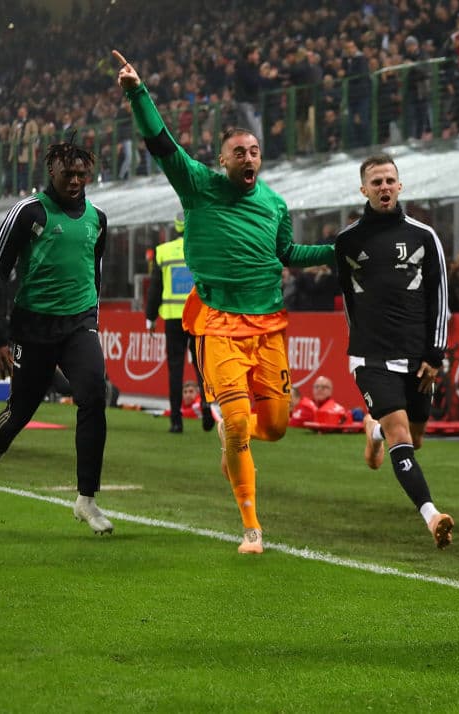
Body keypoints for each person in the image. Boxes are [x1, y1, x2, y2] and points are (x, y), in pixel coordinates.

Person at [115, 50, 335, 555]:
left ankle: (234, 443)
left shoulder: (276, 204)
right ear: (223, 159)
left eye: (255, 151)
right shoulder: (199, 186)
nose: (250, 158)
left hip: (268, 326)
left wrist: (338, 251)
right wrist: (137, 92)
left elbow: (288, 253)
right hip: (215, 323)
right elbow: (162, 144)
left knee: (275, 428)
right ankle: (252, 527)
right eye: (240, 152)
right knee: (237, 422)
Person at [0, 138, 114, 535]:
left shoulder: (98, 219)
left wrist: (93, 321)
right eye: (67, 173)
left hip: (78, 323)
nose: (74, 180)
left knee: (92, 393)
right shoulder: (27, 212)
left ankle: (86, 499)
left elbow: (94, 272)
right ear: (50, 169)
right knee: (21, 411)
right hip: (32, 327)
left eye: (81, 174)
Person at [334, 154, 454, 549]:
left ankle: (374, 430)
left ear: (400, 186)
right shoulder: (348, 242)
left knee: (415, 439)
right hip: (371, 358)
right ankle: (431, 514)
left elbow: (440, 297)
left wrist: (435, 355)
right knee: (402, 432)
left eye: (390, 180)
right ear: (363, 190)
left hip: (419, 359)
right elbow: (350, 302)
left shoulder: (424, 236)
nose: (384, 187)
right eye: (376, 182)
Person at [145, 212, 214, 434]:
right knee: (202, 366)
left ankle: (176, 420)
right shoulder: (203, 249)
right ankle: (206, 407)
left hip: (174, 318)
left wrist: (150, 317)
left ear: (175, 227)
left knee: (175, 369)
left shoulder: (163, 251)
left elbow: (155, 287)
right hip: (198, 318)